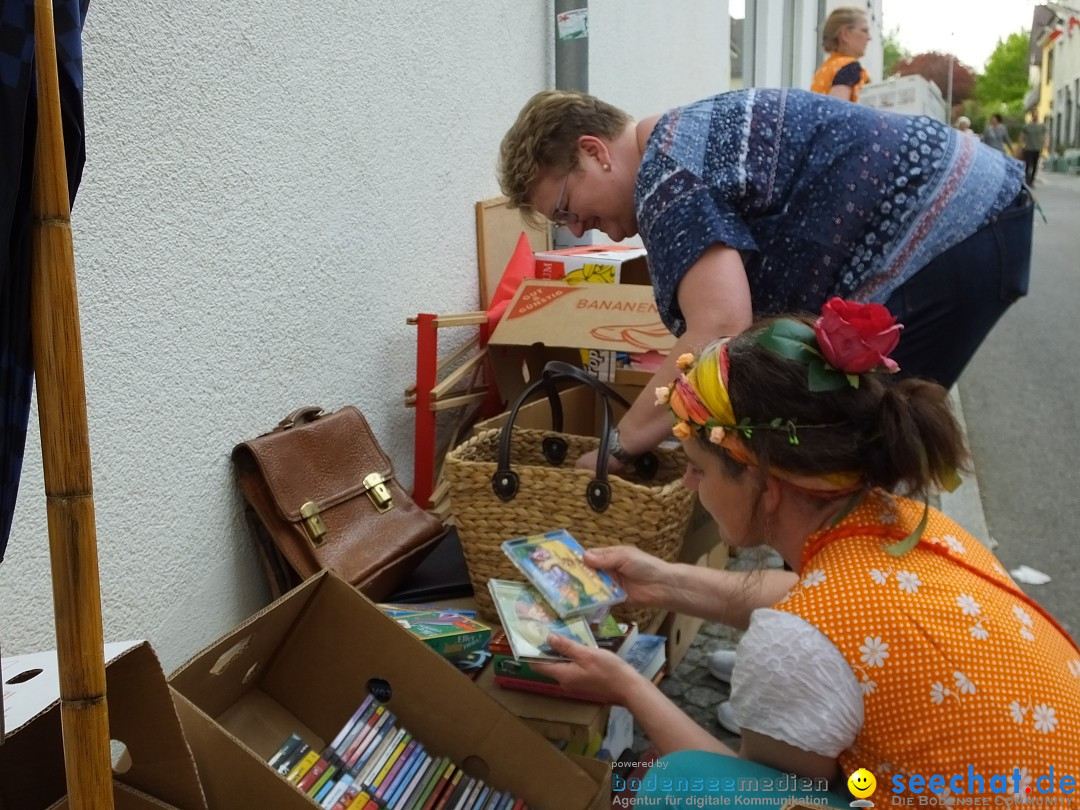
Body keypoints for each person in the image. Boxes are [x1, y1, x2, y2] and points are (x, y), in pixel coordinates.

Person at [531, 300, 1080, 805]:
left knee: (668, 784)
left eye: (699, 468)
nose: (691, 487)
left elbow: (761, 795)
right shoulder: (915, 525)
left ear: (764, 482)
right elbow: (822, 606)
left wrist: (628, 686)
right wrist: (664, 582)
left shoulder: (795, 639)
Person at [498, 88, 1033, 472]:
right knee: (839, 451)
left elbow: (719, 328)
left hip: (957, 229)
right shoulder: (678, 140)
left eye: (567, 206)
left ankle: (847, 616)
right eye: (561, 223)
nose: (577, 229)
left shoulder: (666, 178)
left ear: (595, 151)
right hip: (973, 217)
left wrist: (621, 446)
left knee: (856, 459)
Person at [809, 7, 871, 102]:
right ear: (845, 34)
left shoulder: (826, 68)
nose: (869, 38)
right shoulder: (848, 67)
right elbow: (839, 110)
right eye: (864, 31)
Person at [1020, 111, 1048, 186]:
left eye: (1036, 115)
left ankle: (1032, 180)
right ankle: (1027, 180)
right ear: (1032, 116)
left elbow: (1045, 135)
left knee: (1035, 165)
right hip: (1028, 148)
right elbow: (1022, 136)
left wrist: (1045, 143)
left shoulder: (1041, 126)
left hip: (1037, 148)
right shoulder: (1027, 126)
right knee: (1028, 165)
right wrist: (1022, 144)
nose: (1035, 116)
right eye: (1034, 115)